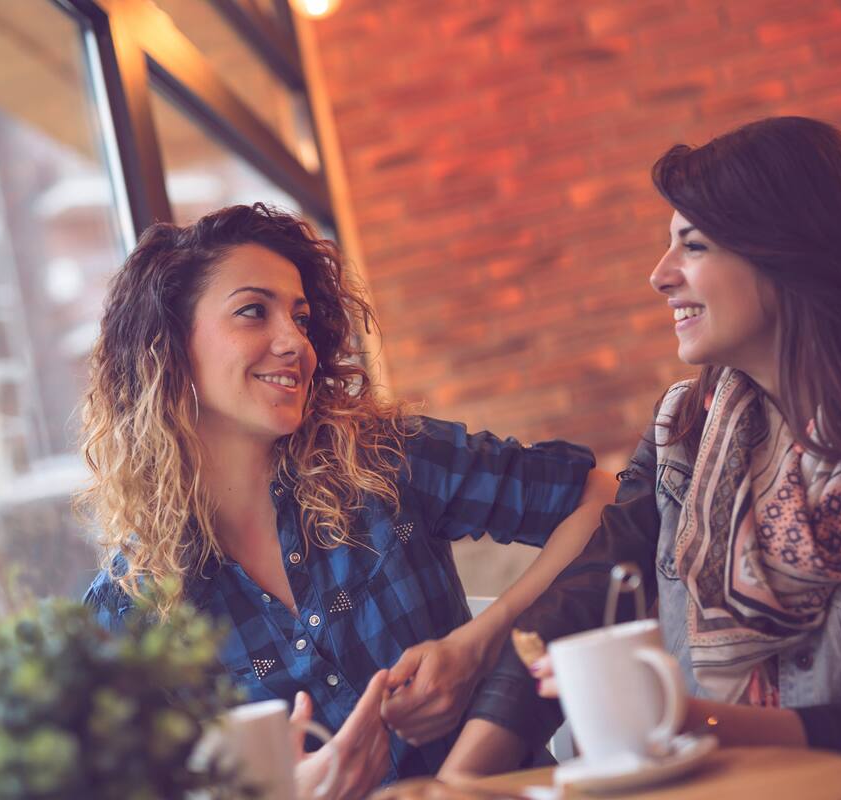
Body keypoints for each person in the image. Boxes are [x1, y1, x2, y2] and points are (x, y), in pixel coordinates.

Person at [439, 117, 841, 799]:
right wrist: (456, 783)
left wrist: (692, 721)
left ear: (792, 256)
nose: (659, 276)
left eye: (693, 245)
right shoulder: (682, 434)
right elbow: (580, 604)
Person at [78, 203, 616, 795]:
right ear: (170, 349)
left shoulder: (384, 461)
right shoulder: (128, 612)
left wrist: (481, 647)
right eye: (253, 312)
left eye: (301, 318)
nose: (294, 343)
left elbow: (601, 500)